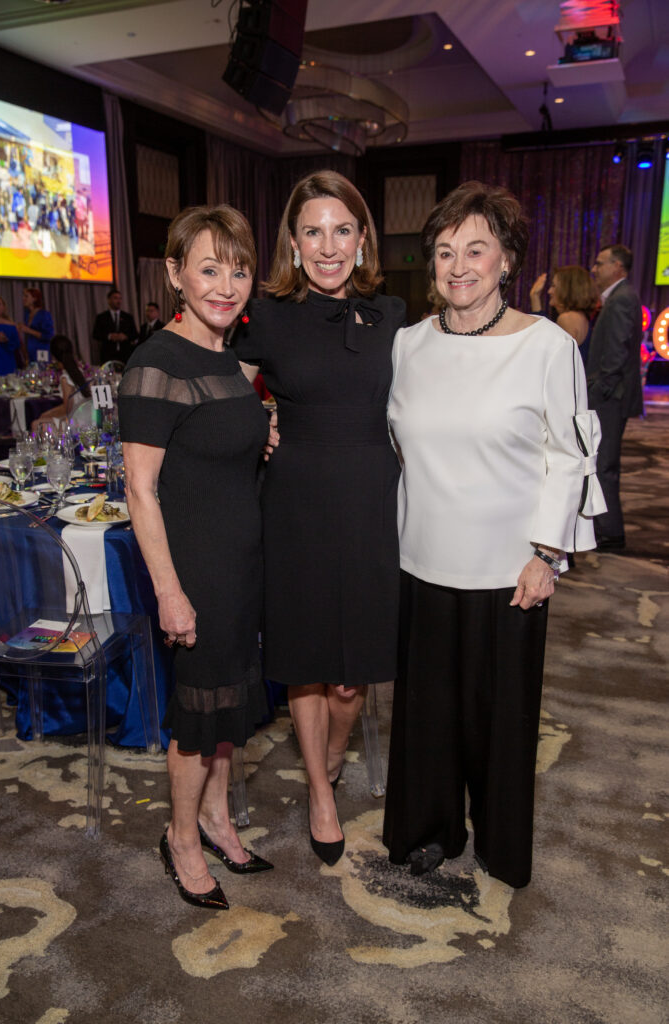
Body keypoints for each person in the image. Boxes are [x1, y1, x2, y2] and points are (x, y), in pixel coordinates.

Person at [383, 181, 601, 889]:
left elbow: (569, 456)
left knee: (499, 719)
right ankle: (428, 830)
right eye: (445, 252)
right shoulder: (409, 344)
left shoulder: (547, 346)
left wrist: (547, 554)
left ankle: (499, 843)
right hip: (422, 559)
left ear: (506, 259)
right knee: (428, 713)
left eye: (475, 250)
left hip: (510, 569)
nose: (458, 266)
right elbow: (391, 441)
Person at [234, 170, 406, 867]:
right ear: (294, 243)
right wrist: (258, 424)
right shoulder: (267, 315)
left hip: (371, 501)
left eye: (341, 230)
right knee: (305, 663)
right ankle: (319, 791)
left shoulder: (393, 314)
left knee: (350, 678)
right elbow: (222, 394)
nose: (328, 246)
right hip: (295, 503)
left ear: (362, 240)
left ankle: (333, 753)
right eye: (313, 232)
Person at [118, 205, 274, 910]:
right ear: (175, 274)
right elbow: (140, 489)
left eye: (238, 271)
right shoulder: (156, 363)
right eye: (209, 269)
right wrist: (169, 593)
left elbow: (221, 446)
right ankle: (181, 838)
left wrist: (263, 434)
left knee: (231, 705)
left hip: (242, 564)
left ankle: (215, 817)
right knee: (197, 716)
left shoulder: (227, 358)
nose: (226, 286)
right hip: (196, 572)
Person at [587, 244, 643, 550]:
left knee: (605, 464)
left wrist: (600, 388)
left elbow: (617, 351)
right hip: (612, 394)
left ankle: (610, 532)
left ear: (617, 267)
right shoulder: (620, 296)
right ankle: (606, 528)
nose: (595, 269)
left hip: (612, 396)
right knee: (603, 462)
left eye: (600, 263)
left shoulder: (621, 298)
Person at [529, 264, 600, 364]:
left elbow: (558, 360)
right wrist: (535, 297)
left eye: (554, 286)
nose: (549, 291)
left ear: (567, 289)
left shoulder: (567, 318)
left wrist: (534, 296)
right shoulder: (580, 317)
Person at [30, 335, 90, 430]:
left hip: (76, 422)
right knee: (42, 420)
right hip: (85, 416)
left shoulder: (65, 378)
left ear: (54, 356)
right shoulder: (78, 371)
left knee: (36, 424)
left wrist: (46, 414)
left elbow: (67, 408)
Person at [92, 288, 138, 365]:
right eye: (115, 298)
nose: (118, 301)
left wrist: (125, 336)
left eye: (120, 298)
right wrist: (109, 336)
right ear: (109, 300)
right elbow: (96, 334)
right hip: (108, 353)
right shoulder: (101, 317)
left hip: (125, 354)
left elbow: (135, 334)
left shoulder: (128, 317)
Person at [0, 296, 21, 378]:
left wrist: (6, 340)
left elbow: (17, 344)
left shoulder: (11, 325)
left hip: (7, 358)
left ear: (4, 306)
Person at [19, 287, 54, 364]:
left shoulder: (44, 314)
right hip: (31, 352)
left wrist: (28, 330)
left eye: (26, 296)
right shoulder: (27, 314)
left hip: (42, 351)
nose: (23, 298)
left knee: (42, 370)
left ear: (34, 299)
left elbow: (49, 336)